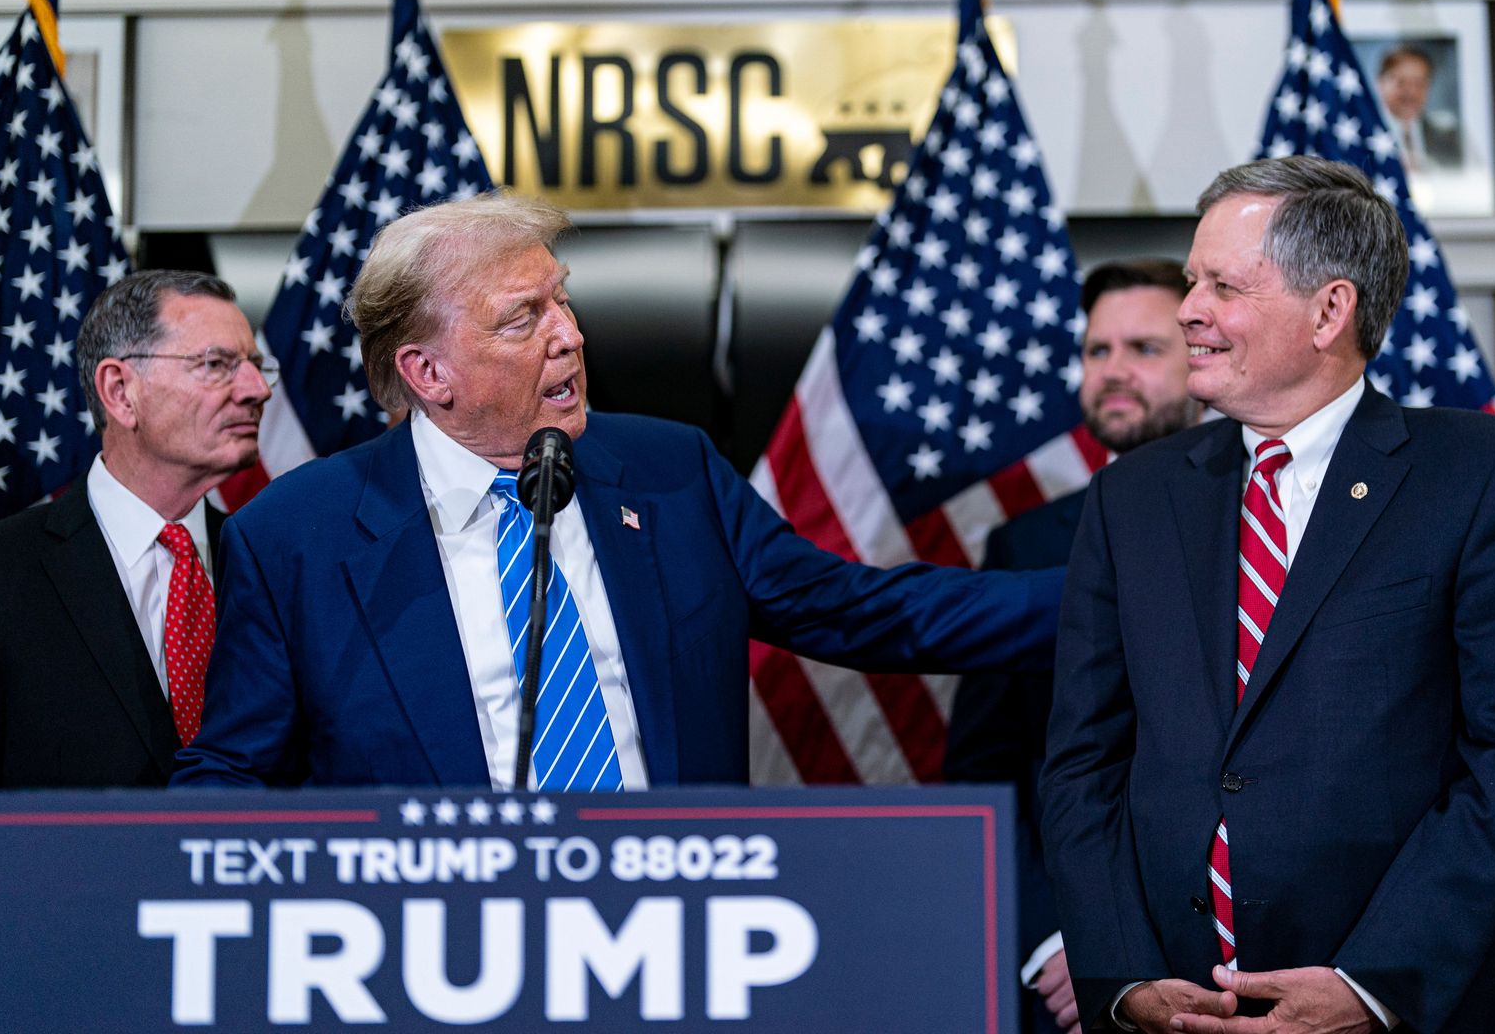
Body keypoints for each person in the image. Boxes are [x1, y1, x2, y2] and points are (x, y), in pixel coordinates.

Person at [171, 195, 1061, 790]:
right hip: (438, 949)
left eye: (561, 301)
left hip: (672, 931)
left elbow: (873, 613)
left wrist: (1111, 597)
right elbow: (233, 771)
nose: (570, 335)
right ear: (428, 373)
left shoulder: (672, 472)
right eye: (524, 319)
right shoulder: (297, 536)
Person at [1039, 156, 1495, 1034]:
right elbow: (1083, 764)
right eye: (1192, 281)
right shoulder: (1131, 497)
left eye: (1223, 285)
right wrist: (1124, 979)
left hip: (1406, 1009)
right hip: (1179, 1009)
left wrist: (1374, 985)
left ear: (1330, 311)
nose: (1188, 310)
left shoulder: (1483, 476)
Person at [945, 257, 1206, 1034]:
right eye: (1098, 350)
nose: (1114, 370)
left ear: (1206, 357)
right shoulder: (1024, 545)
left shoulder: (1273, 527)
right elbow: (982, 770)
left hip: (1248, 963)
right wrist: (1057, 941)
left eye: (1145, 349)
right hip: (1070, 985)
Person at [0, 269, 273, 789]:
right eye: (216, 365)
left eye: (257, 367)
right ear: (120, 391)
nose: (257, 390)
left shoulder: (273, 560)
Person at [1376, 45, 1462, 173]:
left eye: (1419, 83)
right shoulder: (1364, 135)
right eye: (1401, 82)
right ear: (1380, 83)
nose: (1411, 92)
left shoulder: (1448, 137)